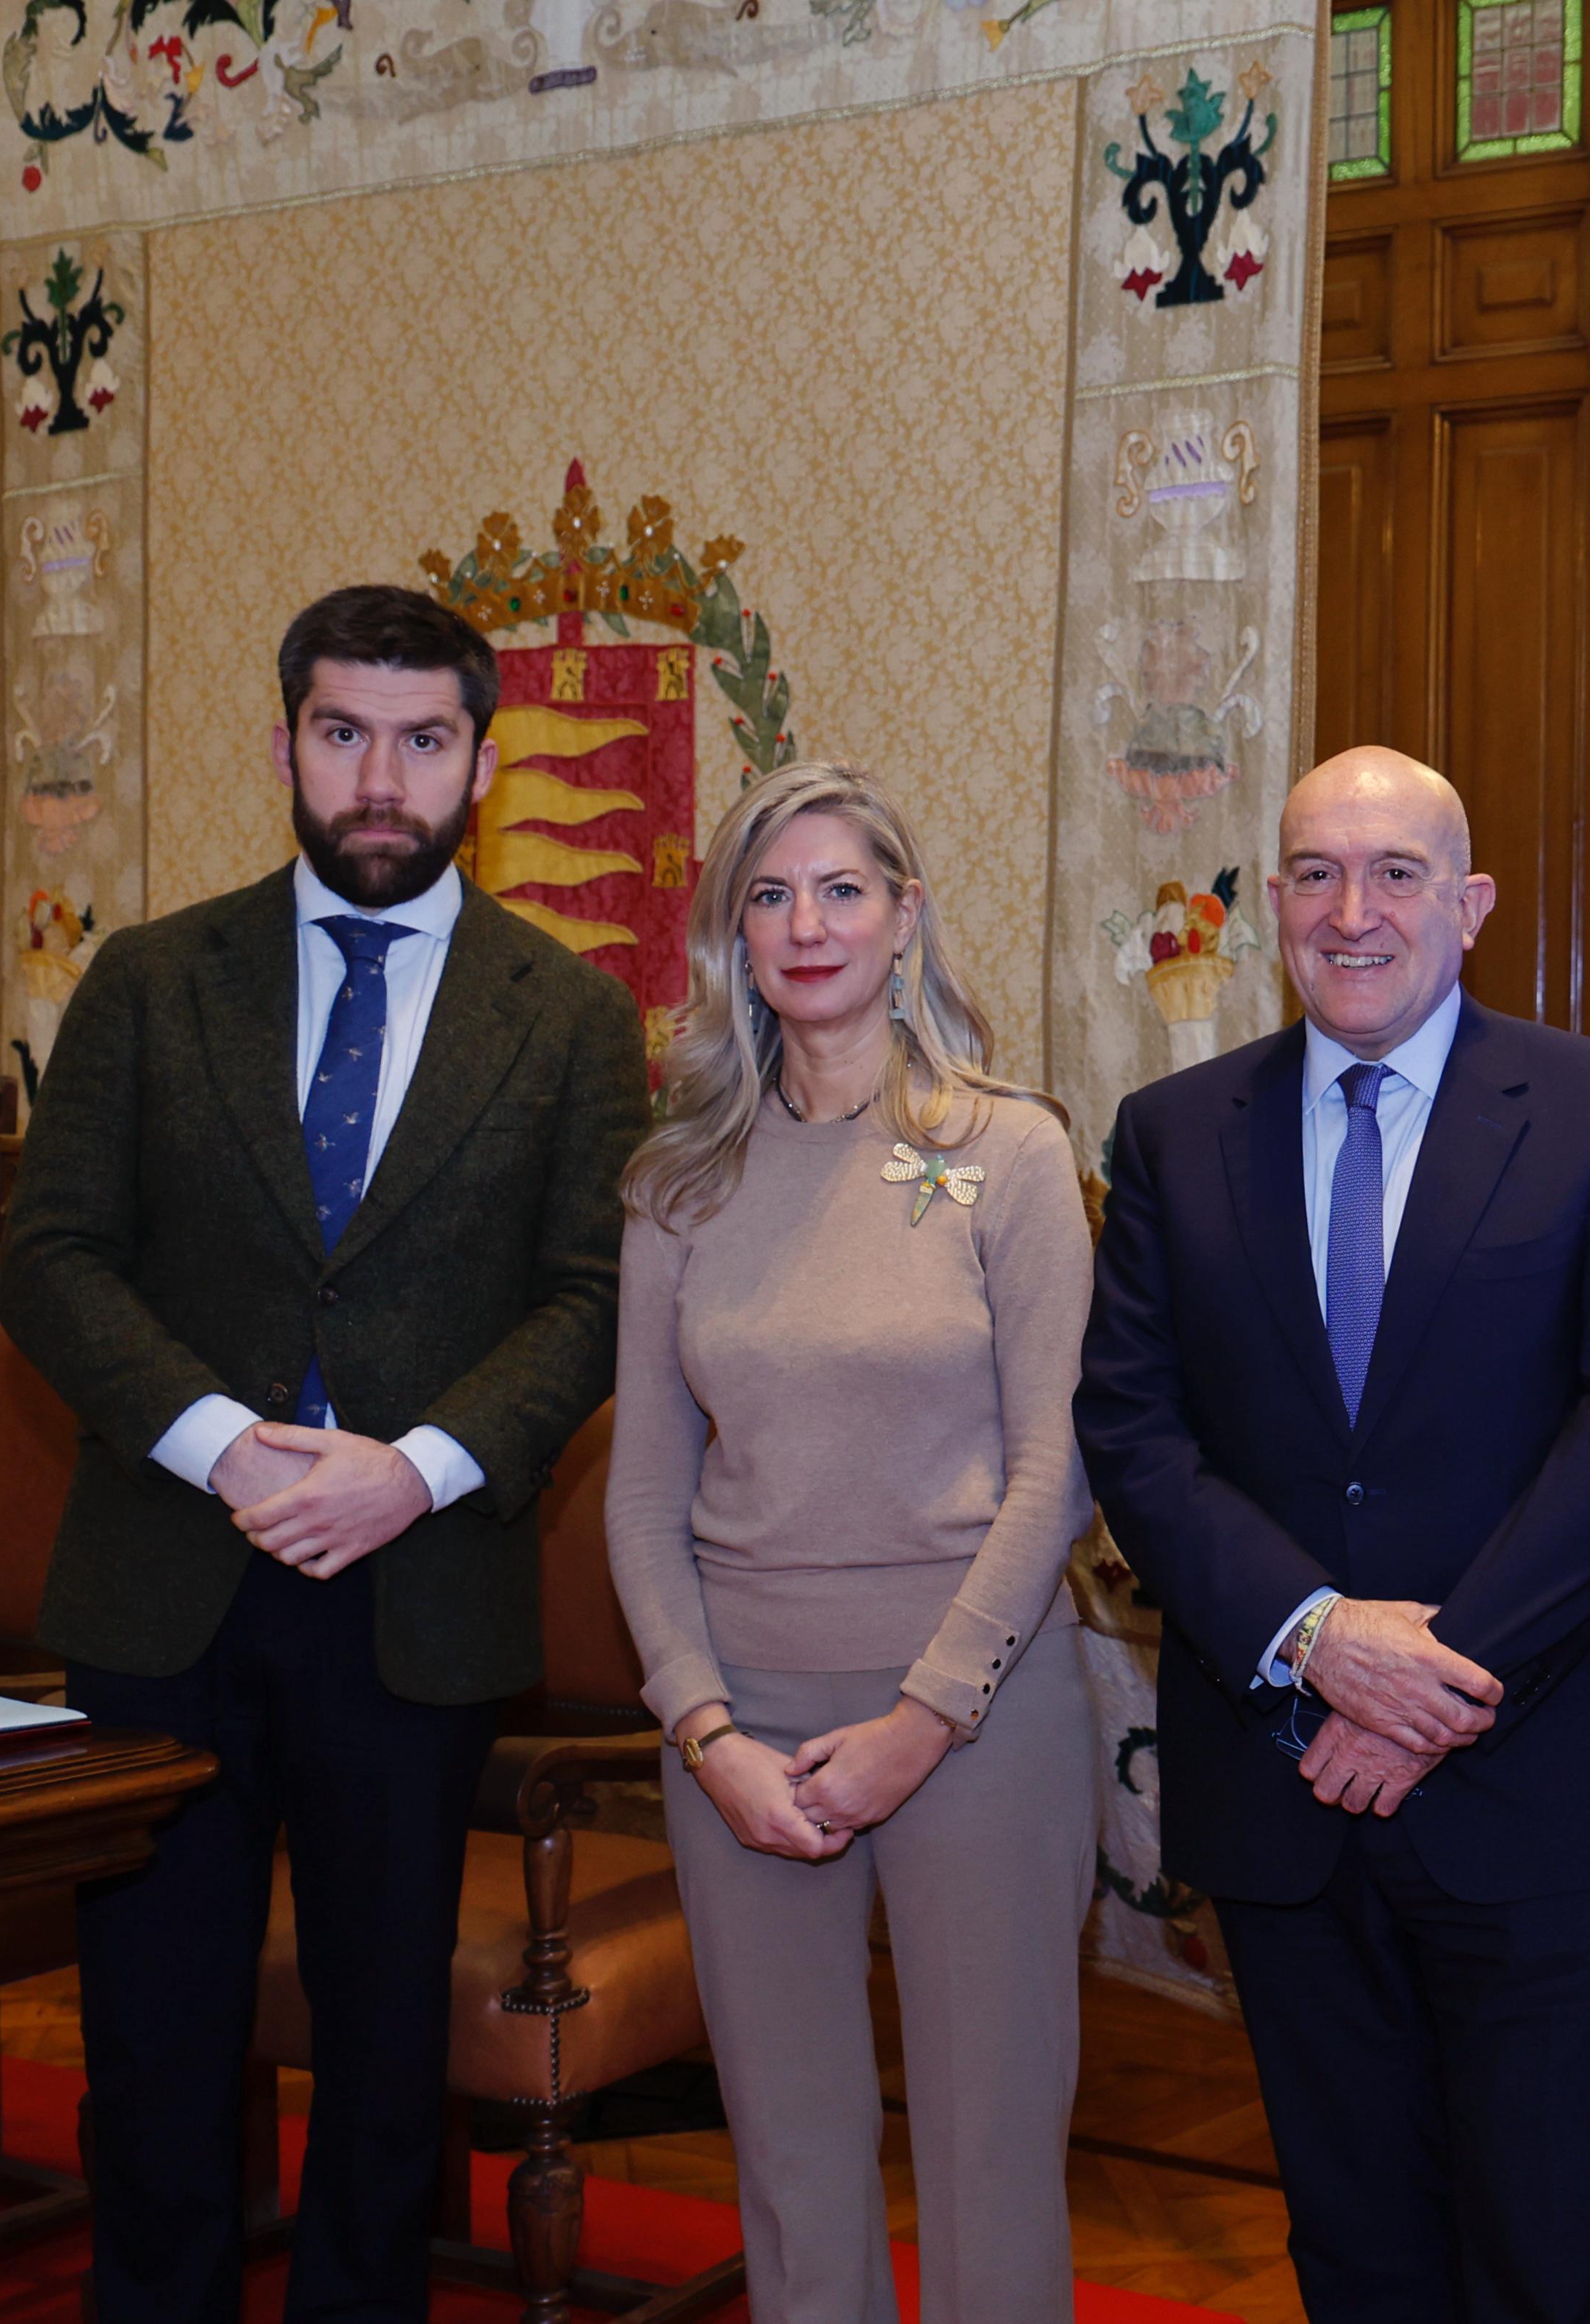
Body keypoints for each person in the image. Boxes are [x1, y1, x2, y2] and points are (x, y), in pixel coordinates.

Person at [0, 583, 650, 2323]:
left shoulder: (572, 1015)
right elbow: (54, 1257)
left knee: (380, 2059)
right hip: (165, 1586)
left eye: (422, 740)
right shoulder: (151, 978)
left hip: (415, 1593)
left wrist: (414, 1465)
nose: (379, 779)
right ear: (284, 740)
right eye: (343, 732)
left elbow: (596, 1295)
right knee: (154, 2043)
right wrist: (222, 1446)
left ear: (483, 763)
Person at [1076, 745, 1590, 2322]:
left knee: (1551, 2259)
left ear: (1471, 904)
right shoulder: (1170, 1133)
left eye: (1396, 874)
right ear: (1275, 903)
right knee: (1356, 2254)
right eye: (1315, 872)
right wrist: (1317, 1640)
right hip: (1283, 1789)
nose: (1352, 911)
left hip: (1537, 1790)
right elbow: (1134, 1432)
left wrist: (1432, 1676)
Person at [604, 763, 1097, 2324]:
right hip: (742, 1729)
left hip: (978, 1714)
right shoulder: (678, 1182)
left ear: (904, 917)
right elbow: (640, 1493)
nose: (806, 925)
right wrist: (705, 1730)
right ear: (732, 939)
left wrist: (922, 1716)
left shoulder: (1010, 1151)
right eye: (770, 895)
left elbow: (1057, 1468)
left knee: (990, 2157)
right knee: (792, 2163)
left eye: (840, 890)